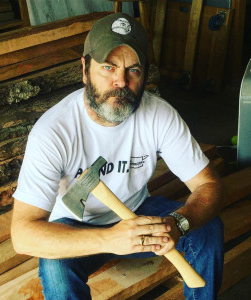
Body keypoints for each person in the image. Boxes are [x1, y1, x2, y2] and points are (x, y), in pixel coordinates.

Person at [11, 12, 224, 300]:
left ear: (145, 73)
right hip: (76, 227)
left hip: (138, 212)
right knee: (56, 270)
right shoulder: (53, 132)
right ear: (85, 69)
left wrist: (178, 223)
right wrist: (111, 237)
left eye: (133, 70)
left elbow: (207, 185)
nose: (121, 82)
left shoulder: (159, 115)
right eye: (108, 68)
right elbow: (22, 235)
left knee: (207, 228)